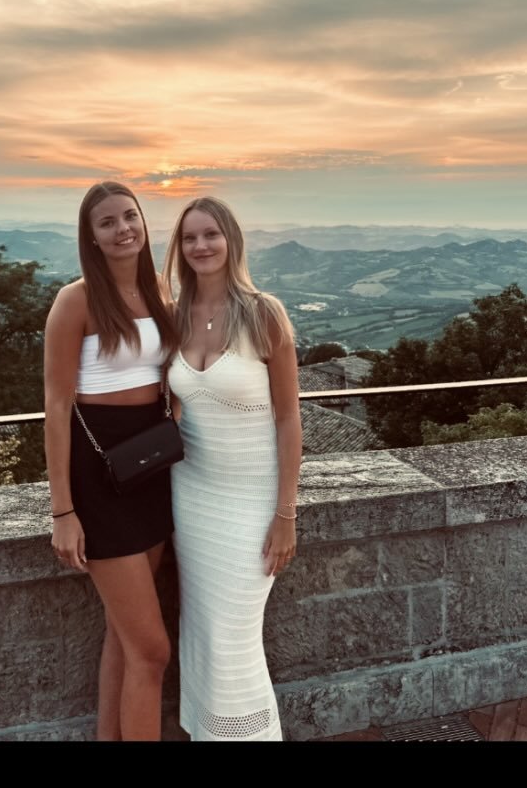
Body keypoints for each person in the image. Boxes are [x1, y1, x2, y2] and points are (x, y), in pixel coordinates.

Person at [43, 181, 182, 741]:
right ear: (92, 238)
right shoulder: (75, 301)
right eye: (107, 222)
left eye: (130, 216)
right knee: (152, 650)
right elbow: (56, 406)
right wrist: (63, 512)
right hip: (99, 476)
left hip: (150, 468)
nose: (123, 228)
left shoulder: (161, 292)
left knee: (125, 641)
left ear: (144, 222)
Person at [162, 197, 302, 742]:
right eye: (190, 237)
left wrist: (285, 514)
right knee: (201, 631)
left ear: (232, 240)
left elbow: (288, 419)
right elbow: (170, 408)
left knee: (234, 634)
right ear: (180, 248)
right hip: (191, 496)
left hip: (251, 502)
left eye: (211, 234)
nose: (201, 245)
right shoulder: (174, 317)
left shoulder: (264, 314)